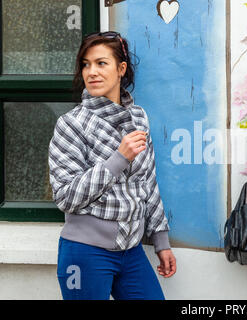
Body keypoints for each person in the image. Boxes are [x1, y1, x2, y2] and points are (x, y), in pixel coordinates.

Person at [49, 31, 176, 300]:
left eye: (101, 63)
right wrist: (119, 159)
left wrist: (161, 240)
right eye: (85, 64)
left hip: (132, 251)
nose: (91, 72)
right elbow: (65, 197)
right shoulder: (71, 124)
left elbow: (147, 183)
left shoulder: (139, 118)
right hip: (85, 252)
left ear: (121, 69)